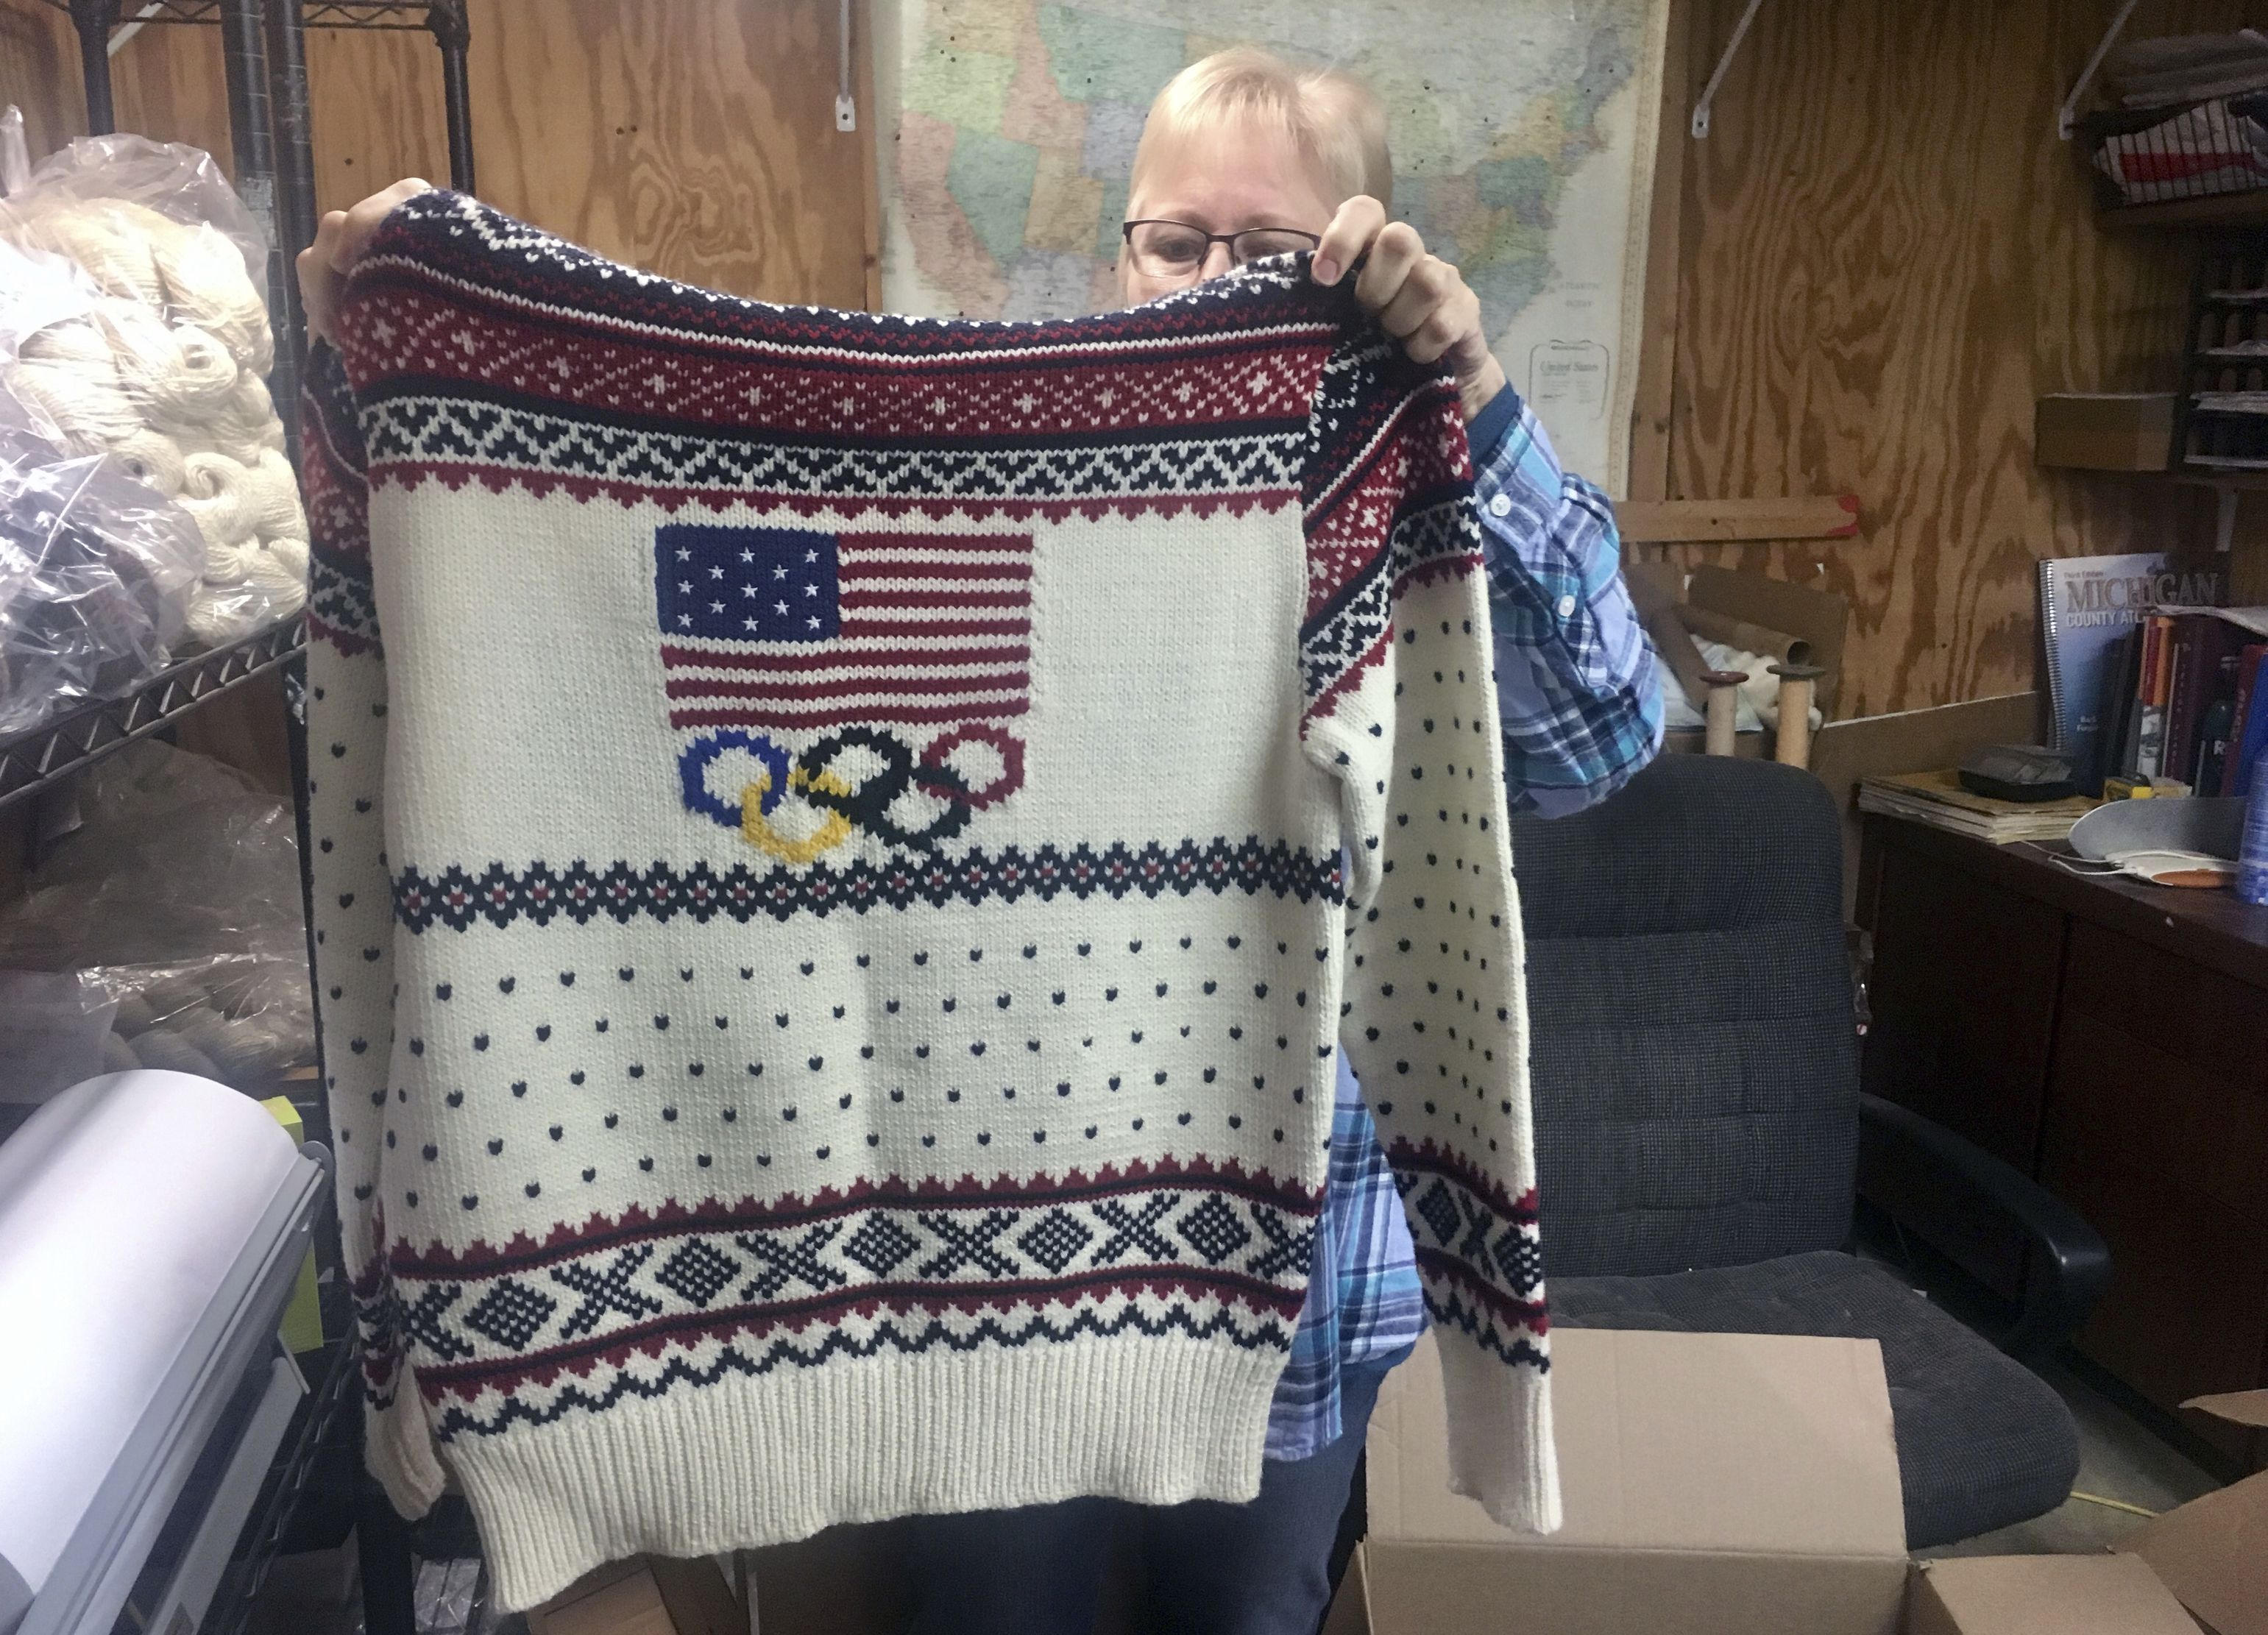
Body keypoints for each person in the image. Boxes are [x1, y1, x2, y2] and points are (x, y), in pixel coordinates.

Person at [297, 44, 1660, 1635]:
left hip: (1290, 1297)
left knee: (1245, 1620)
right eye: (1178, 238)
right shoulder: (1001, 473)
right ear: (1120, 246)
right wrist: (418, 308)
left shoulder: (1360, 458)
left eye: (1275, 255)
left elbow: (1600, 742)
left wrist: (1470, 405)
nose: (1214, 280)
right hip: (967, 1299)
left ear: (1360, 245)